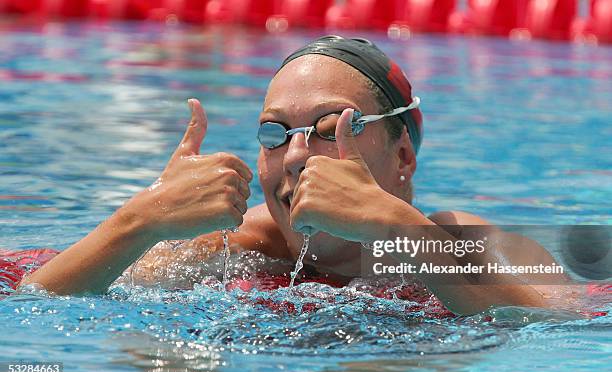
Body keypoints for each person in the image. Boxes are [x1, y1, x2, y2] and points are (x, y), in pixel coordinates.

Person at [19, 36, 576, 315]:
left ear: (403, 158)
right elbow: (34, 303)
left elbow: (564, 327)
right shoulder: (233, 247)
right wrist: (140, 221)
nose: (295, 156)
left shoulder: (466, 243)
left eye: (331, 128)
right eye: (273, 132)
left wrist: (399, 233)